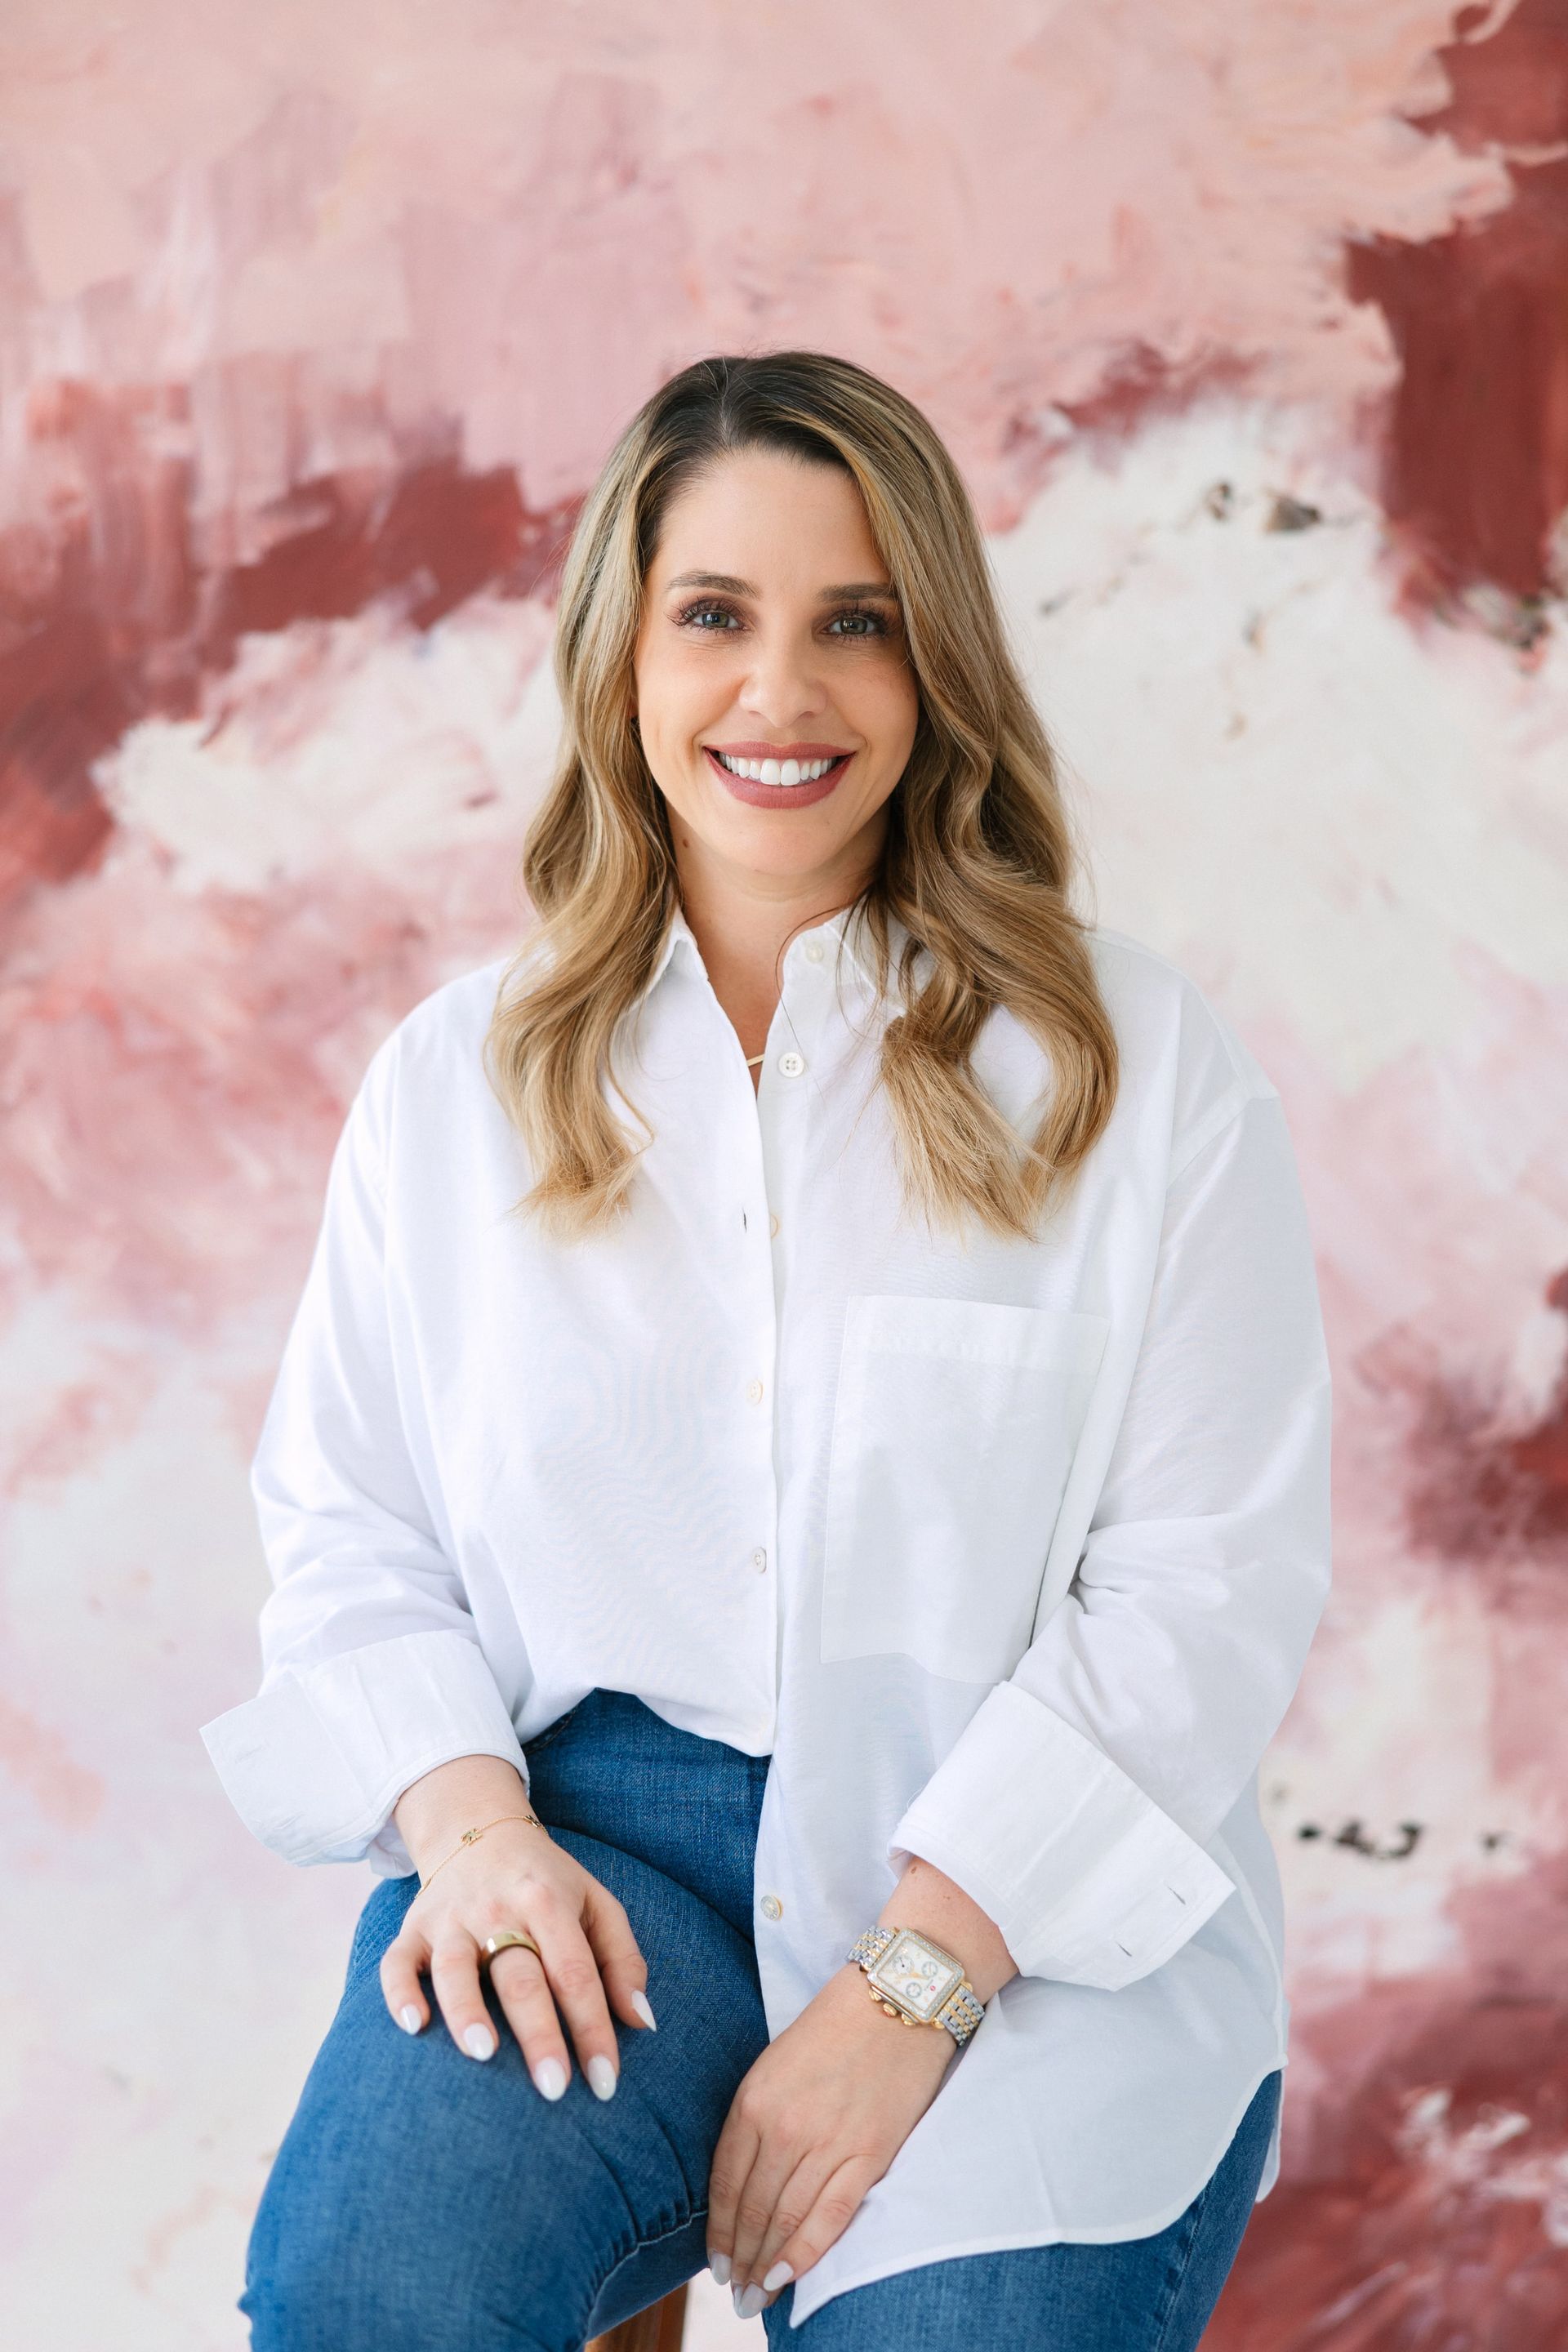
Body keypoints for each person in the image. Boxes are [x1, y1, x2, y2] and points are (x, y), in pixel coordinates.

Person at [201, 349, 1332, 2350]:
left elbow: (1202, 1592)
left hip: (1027, 1885)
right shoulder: (455, 1085)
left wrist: (919, 1981)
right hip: (591, 1850)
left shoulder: (1139, 1078)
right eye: (713, 616)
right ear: (620, 659)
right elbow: (351, 1524)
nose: (780, 696)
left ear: (937, 665)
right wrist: (474, 1841)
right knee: (369, 2295)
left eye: (857, 626)